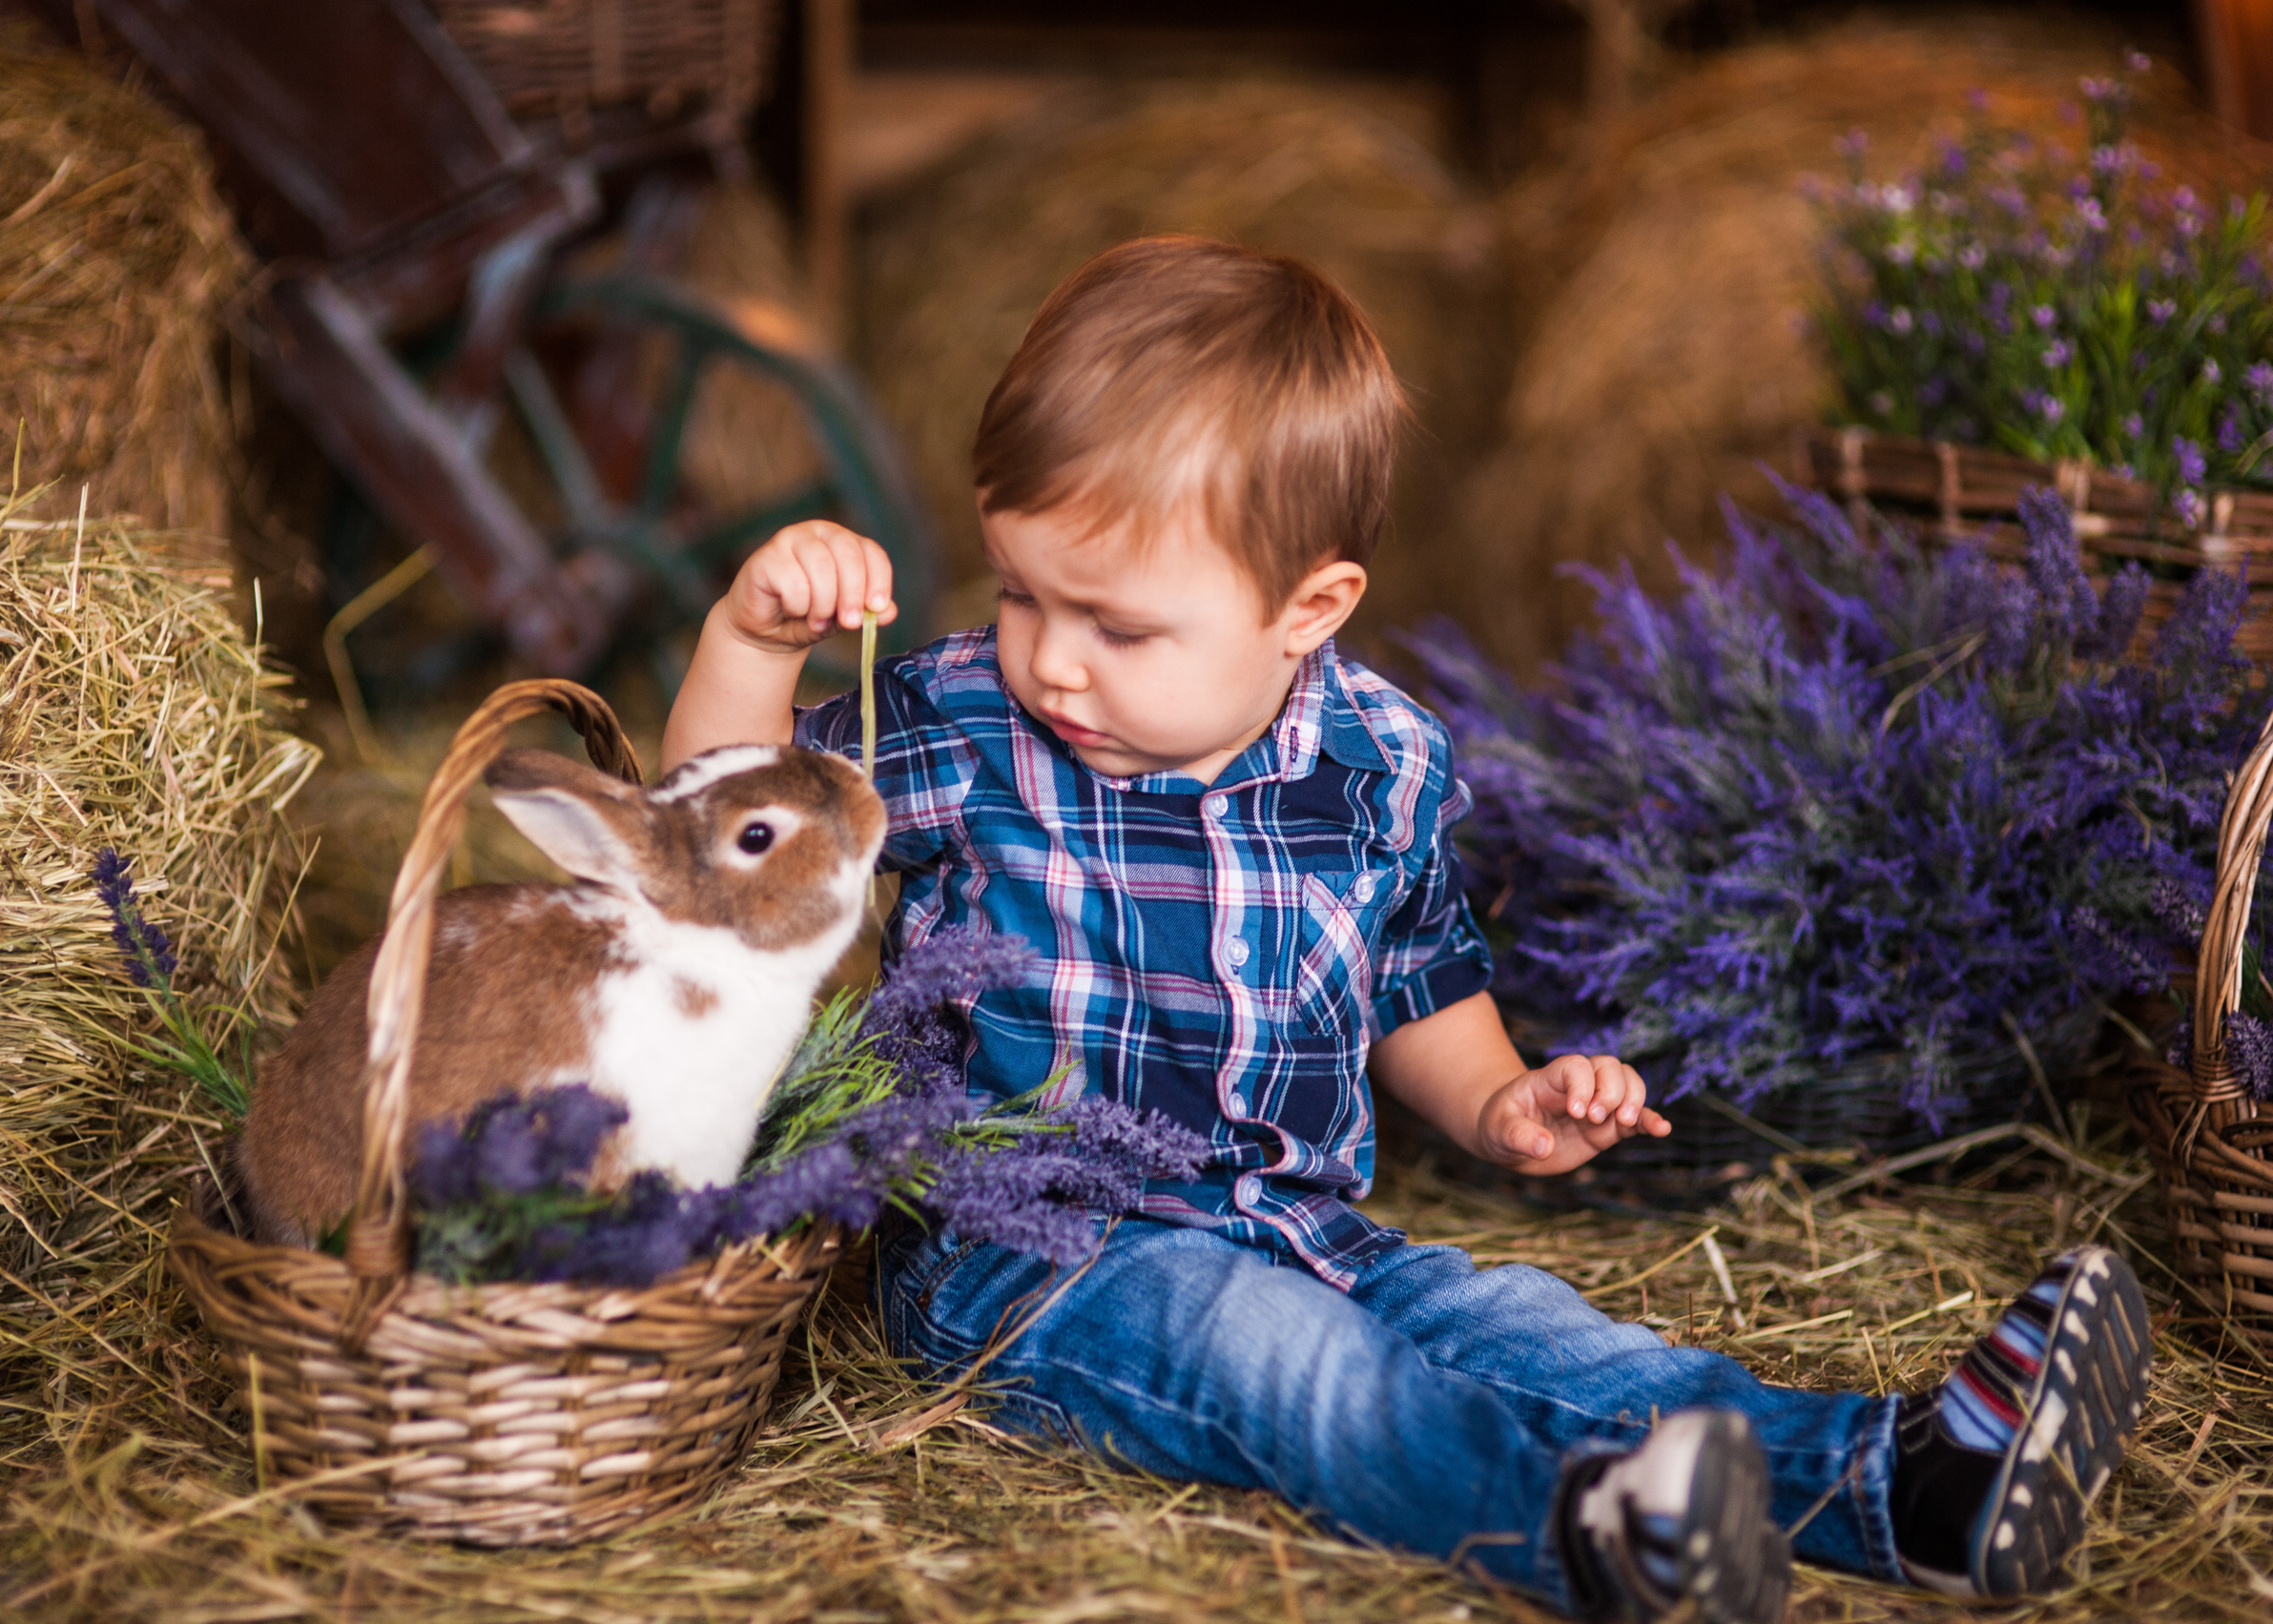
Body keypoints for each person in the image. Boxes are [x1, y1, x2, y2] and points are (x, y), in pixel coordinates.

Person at [659, 236, 2151, 1623]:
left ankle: (1907, 1483)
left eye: (1118, 626)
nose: (1053, 660)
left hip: (1301, 1223)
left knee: (1529, 1331)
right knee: (1297, 1373)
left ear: (1310, 609)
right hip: (1029, 1256)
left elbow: (1415, 977)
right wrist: (750, 643)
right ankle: (1591, 1537)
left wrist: (1501, 1097)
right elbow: (710, 849)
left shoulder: (1384, 764)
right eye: (1019, 593)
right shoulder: (963, 718)